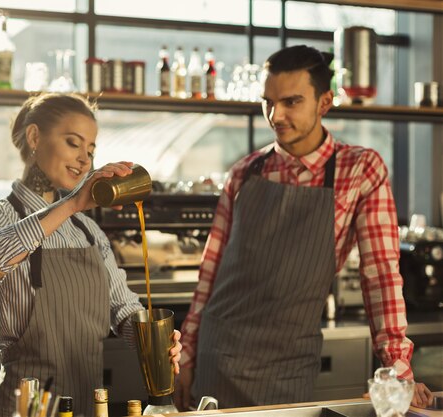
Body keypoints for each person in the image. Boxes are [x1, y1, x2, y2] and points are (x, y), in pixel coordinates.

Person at [174, 45, 434, 411]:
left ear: (324, 102)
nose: (275, 115)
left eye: (291, 102)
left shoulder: (360, 169)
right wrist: (185, 358)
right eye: (268, 101)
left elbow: (380, 276)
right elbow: (210, 274)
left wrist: (398, 369)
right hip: (218, 355)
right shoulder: (245, 172)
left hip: (289, 364)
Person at [0, 93, 182, 417]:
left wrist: (156, 341)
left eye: (90, 150)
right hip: (25, 408)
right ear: (35, 137)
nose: (84, 160)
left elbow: (123, 310)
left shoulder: (88, 230)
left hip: (88, 406)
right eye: (73, 143)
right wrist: (73, 203)